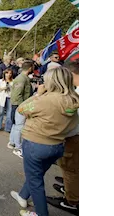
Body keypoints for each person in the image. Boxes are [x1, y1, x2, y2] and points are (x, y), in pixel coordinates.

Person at [10, 66, 79, 216]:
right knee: (37, 174)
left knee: (35, 181)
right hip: (58, 145)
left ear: (52, 81)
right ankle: (22, 196)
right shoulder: (74, 99)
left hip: (35, 144)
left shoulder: (44, 100)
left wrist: (37, 94)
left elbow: (21, 109)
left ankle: (41, 213)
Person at [46, 60, 81, 214]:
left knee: (70, 169)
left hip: (73, 138)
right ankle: (70, 189)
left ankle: (71, 200)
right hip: (73, 136)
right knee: (70, 169)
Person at [9, 60, 34, 158]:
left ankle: (12, 142)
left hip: (20, 105)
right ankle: (18, 147)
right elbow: (17, 94)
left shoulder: (24, 78)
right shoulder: (21, 79)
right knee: (19, 127)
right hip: (20, 105)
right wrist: (22, 106)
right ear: (30, 68)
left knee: (16, 126)